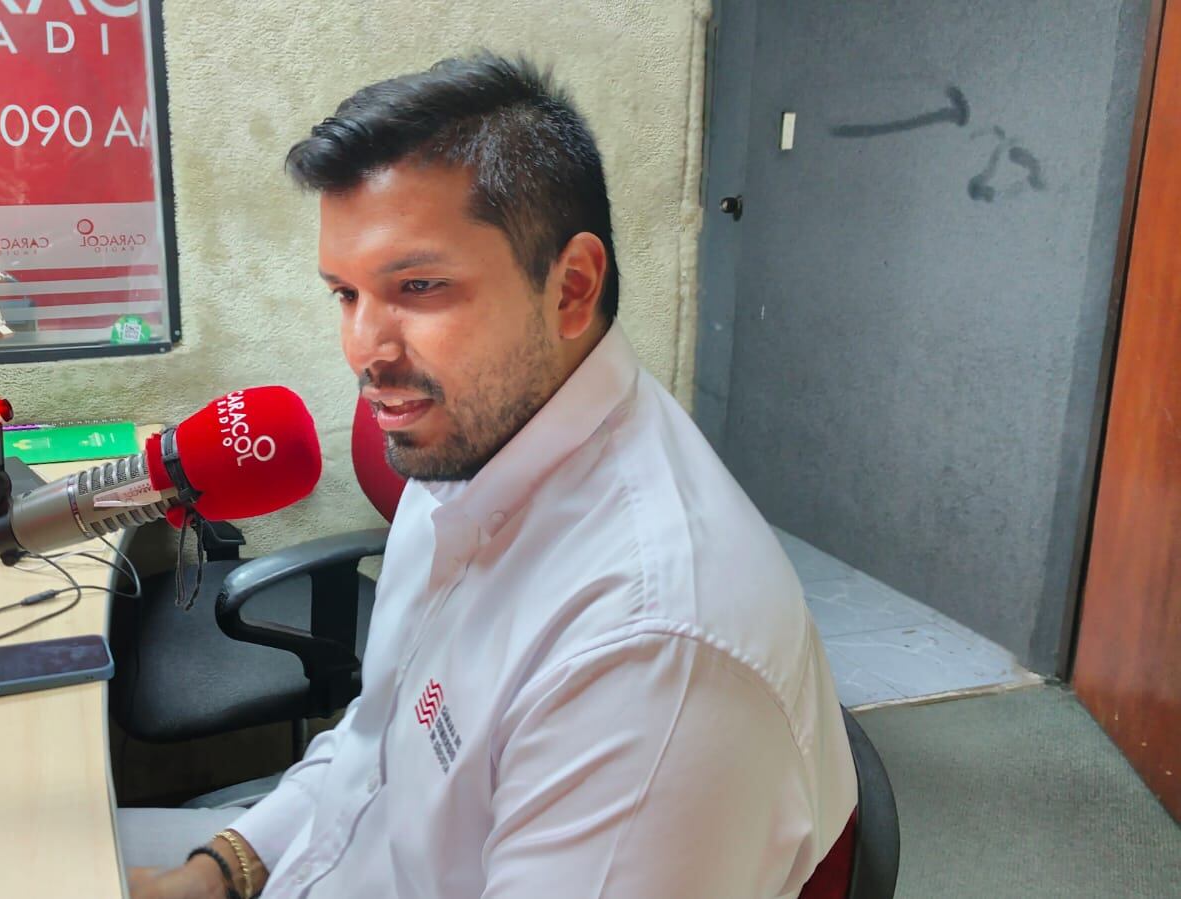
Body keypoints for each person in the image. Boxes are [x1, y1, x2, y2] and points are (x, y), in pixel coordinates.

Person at [120, 52, 856, 899]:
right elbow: (372, 738)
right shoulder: (465, 451)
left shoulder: (645, 653)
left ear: (571, 288)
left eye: (419, 285)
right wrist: (222, 868)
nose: (365, 349)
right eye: (345, 295)